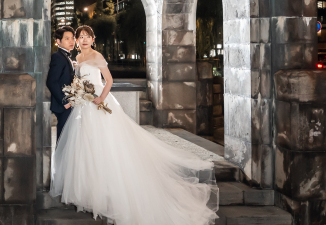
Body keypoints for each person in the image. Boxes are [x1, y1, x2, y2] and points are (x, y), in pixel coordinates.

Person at [50, 25, 219, 225]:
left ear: (93, 39)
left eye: (88, 36)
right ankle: (87, 189)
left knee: (106, 143)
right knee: (85, 144)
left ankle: (108, 189)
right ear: (77, 41)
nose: (84, 39)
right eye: (81, 37)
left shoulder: (97, 56)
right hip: (83, 104)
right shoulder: (76, 59)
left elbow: (109, 80)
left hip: (98, 101)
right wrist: (78, 94)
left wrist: (101, 98)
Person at [46, 25, 76, 140]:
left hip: (69, 103)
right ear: (58, 41)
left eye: (72, 38)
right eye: (67, 38)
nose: (71, 41)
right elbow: (51, 81)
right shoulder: (58, 57)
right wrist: (64, 101)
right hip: (63, 105)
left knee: (67, 137)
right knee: (63, 137)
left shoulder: (66, 56)